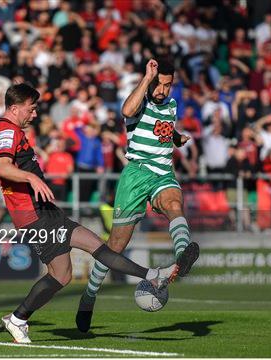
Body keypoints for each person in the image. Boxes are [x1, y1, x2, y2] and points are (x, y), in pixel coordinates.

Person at [0, 83, 179, 343]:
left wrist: (13, 185)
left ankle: (152, 275)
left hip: (44, 211)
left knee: (83, 256)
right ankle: (18, 319)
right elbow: (2, 166)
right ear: (14, 108)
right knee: (69, 269)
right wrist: (29, 179)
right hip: (34, 216)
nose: (35, 114)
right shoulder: (7, 132)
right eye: (31, 109)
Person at [75, 59, 200, 333]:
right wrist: (146, 79)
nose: (164, 90)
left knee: (174, 204)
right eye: (160, 84)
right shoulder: (140, 101)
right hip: (135, 174)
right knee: (116, 246)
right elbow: (126, 110)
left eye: (168, 85)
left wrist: (177, 139)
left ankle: (182, 256)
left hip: (162, 172)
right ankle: (89, 296)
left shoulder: (172, 106)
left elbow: (164, 132)